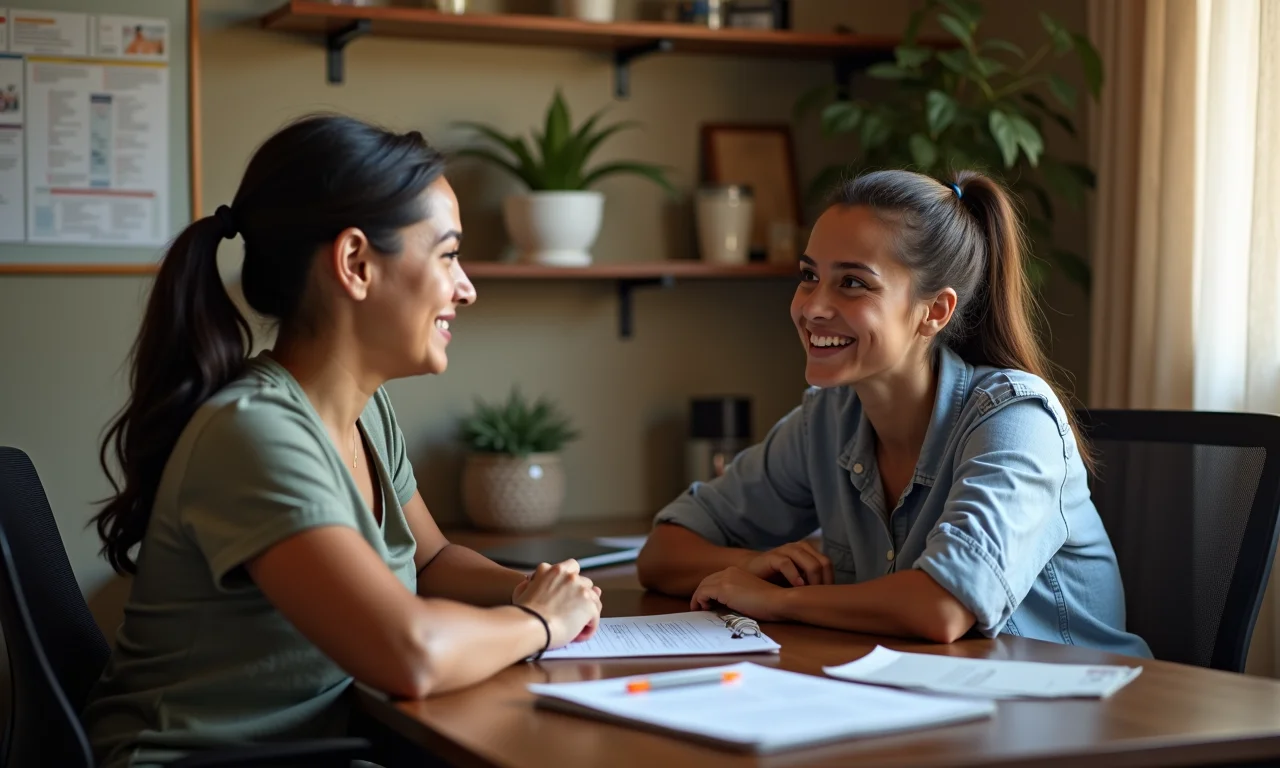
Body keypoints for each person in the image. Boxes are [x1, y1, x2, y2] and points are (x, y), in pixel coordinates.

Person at [82, 114, 603, 768]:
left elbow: (432, 562)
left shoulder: (366, 412)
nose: (466, 288)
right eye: (447, 255)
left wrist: (532, 588)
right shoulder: (255, 432)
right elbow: (410, 655)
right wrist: (540, 623)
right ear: (356, 263)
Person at [636, 169, 1151, 658]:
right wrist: (755, 564)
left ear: (935, 311)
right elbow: (663, 552)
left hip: (1075, 707)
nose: (812, 307)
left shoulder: (1016, 419)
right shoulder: (827, 419)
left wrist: (777, 600)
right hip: (926, 696)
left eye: (853, 283)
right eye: (809, 276)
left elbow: (941, 607)